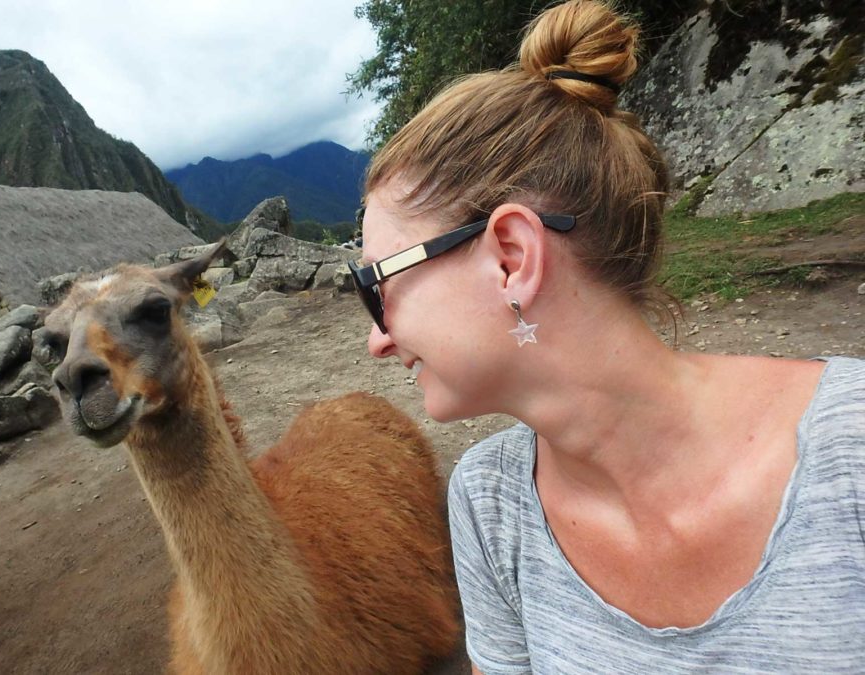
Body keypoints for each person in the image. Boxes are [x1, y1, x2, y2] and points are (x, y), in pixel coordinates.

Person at [346, 0, 865, 672]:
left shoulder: (850, 451)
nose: (376, 340)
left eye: (376, 287)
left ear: (511, 256)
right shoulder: (488, 504)